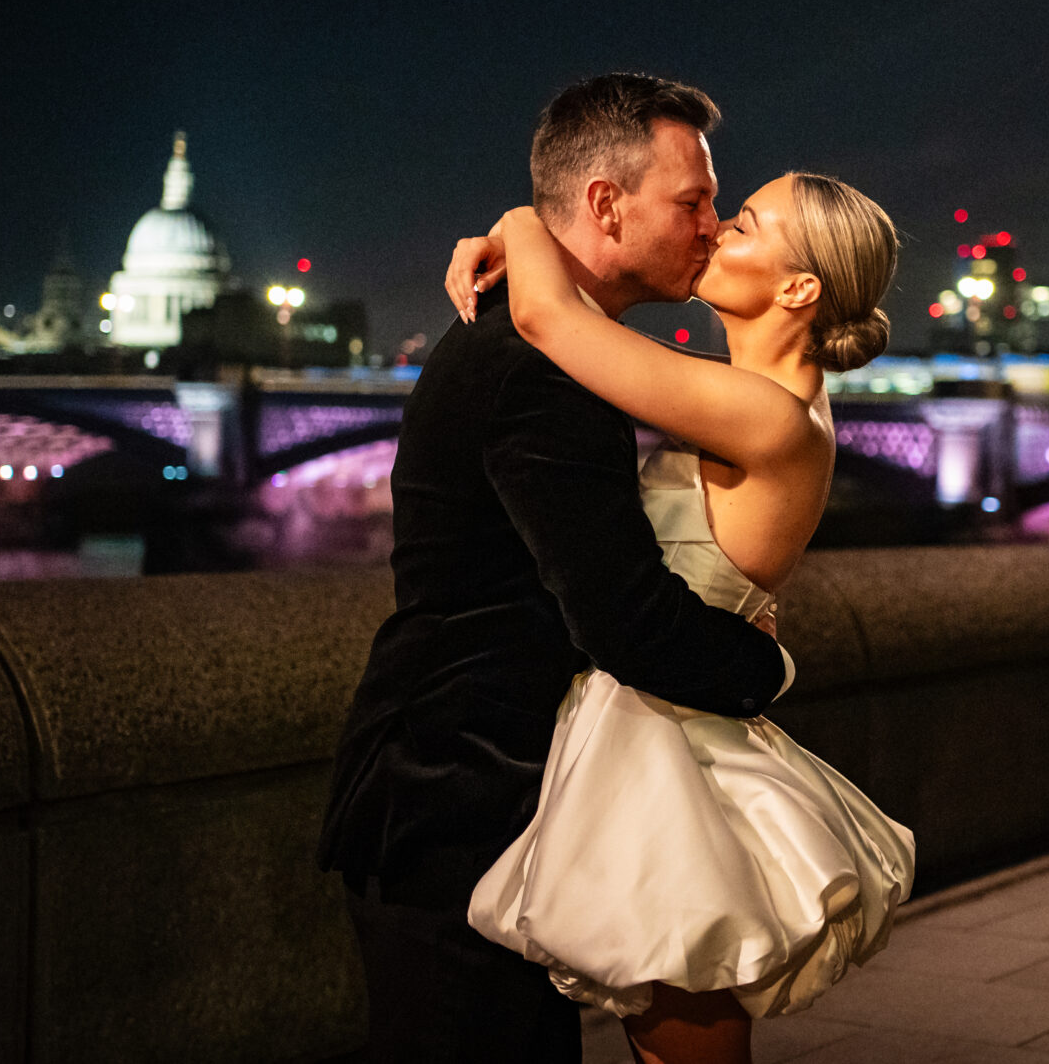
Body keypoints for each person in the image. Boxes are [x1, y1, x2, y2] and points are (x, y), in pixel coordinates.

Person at [316, 73, 797, 1063]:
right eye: (692, 200)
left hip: (467, 790)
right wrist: (762, 667)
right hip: (453, 797)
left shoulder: (543, 341)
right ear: (604, 204)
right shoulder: (540, 369)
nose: (709, 224)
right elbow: (619, 616)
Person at [444, 168, 914, 1064]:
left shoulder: (765, 414)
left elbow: (550, 319)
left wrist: (519, 217)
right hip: (660, 718)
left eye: (741, 224)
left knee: (682, 1038)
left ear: (798, 288)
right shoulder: (767, 401)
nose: (712, 232)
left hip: (671, 744)